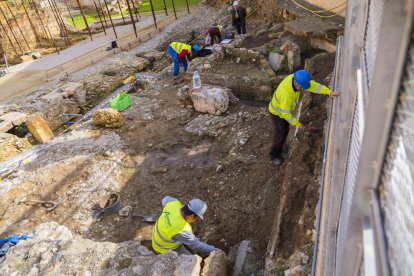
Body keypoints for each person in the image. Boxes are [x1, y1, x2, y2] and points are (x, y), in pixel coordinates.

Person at [268, 70, 340, 166]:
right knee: (280, 134)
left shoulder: (298, 79)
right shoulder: (286, 94)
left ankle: (281, 148)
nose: (302, 89)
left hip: (283, 111)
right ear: (296, 82)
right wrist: (298, 124)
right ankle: (274, 155)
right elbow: (285, 114)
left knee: (285, 130)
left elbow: (313, 86)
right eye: (301, 87)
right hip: (276, 113)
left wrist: (329, 92)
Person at [152, 196, 217, 256]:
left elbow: (165, 199)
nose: (195, 220)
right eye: (196, 218)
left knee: (188, 240)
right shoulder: (182, 229)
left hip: (157, 237)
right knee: (190, 260)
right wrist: (215, 250)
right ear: (191, 216)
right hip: (163, 249)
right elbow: (197, 246)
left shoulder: (173, 204)